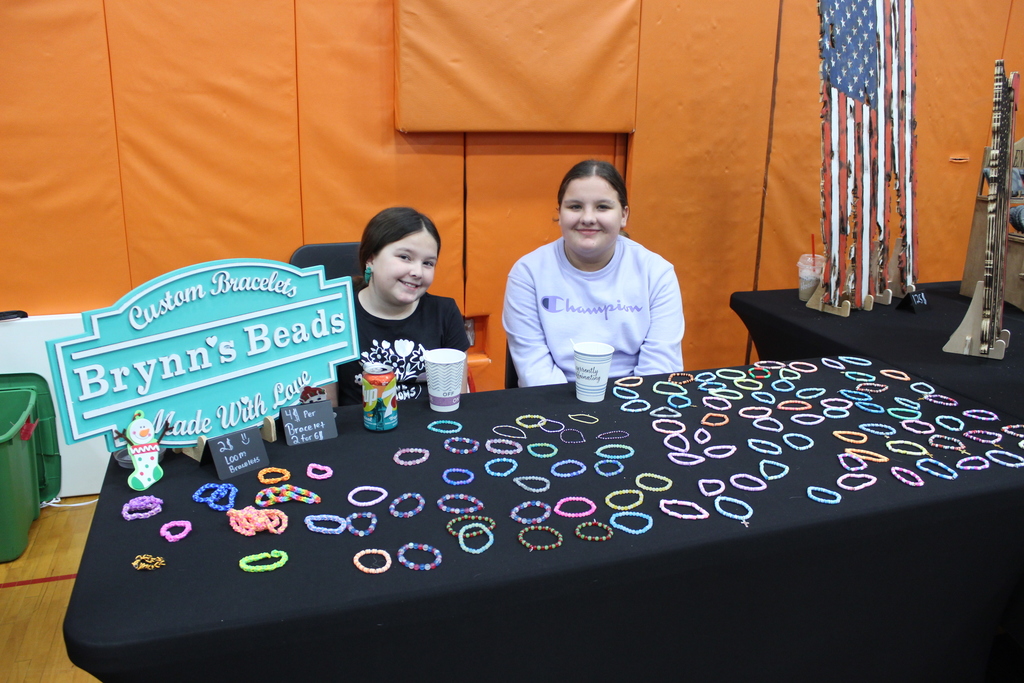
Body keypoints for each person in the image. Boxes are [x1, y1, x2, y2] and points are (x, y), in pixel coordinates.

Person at [502, 160, 684, 387]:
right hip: (555, 408)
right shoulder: (527, 274)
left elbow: (660, 368)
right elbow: (534, 370)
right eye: (575, 206)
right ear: (559, 213)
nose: (588, 218)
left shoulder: (656, 273)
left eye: (603, 207)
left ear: (624, 215)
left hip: (636, 402)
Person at [334, 207, 470, 405]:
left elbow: (458, 398)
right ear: (371, 259)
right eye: (405, 257)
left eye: (428, 263)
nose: (417, 272)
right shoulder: (335, 317)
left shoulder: (445, 313)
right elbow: (324, 415)